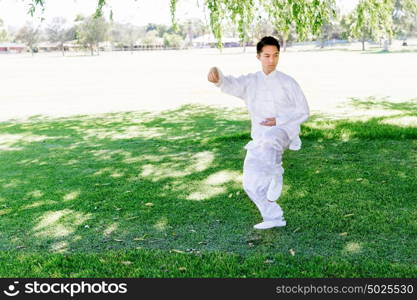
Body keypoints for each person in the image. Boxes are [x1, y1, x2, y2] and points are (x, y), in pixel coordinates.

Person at [207, 36, 309, 230]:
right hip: (259, 137)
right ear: (258, 56)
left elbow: (303, 111)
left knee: (271, 138)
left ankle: (276, 173)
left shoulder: (288, 82)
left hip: (284, 132)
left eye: (275, 55)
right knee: (250, 183)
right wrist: (216, 76)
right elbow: (229, 83)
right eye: (267, 56)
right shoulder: (250, 81)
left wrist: (278, 121)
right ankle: (273, 217)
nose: (272, 60)